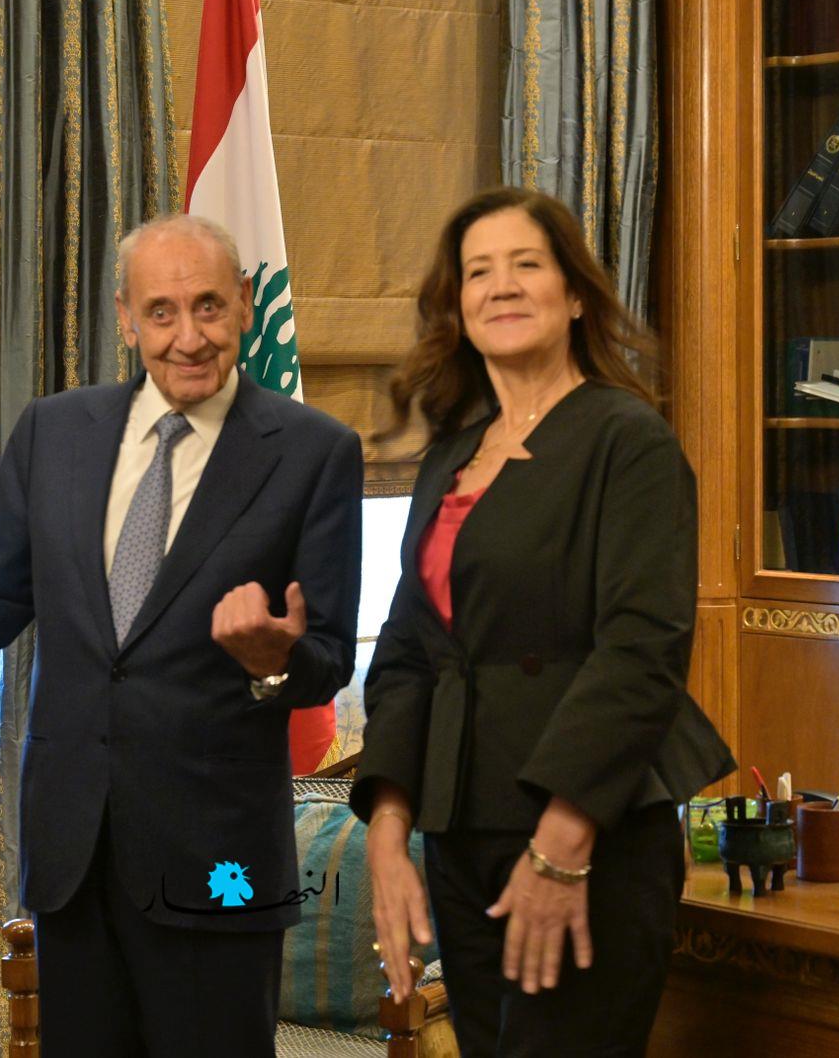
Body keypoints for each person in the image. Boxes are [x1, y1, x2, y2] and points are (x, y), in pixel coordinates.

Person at [0, 214, 363, 1057]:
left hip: (219, 863)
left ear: (243, 303)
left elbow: (327, 656)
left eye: (208, 306)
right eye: (161, 312)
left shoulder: (313, 451)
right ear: (125, 317)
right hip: (73, 856)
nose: (188, 336)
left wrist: (274, 662)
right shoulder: (54, 433)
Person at [351, 187, 735, 1057]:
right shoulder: (451, 457)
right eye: (478, 272)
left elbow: (641, 652)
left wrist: (561, 847)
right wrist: (387, 834)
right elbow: (409, 654)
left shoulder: (627, 440)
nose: (502, 286)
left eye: (527, 264)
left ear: (575, 296)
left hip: (586, 833)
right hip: (462, 829)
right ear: (457, 306)